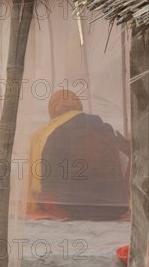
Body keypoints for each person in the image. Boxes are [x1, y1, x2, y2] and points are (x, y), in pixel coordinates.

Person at [27, 89, 130, 220]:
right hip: (113, 209)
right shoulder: (104, 127)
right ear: (78, 105)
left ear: (52, 109)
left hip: (68, 211)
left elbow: (46, 184)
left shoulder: (47, 134)